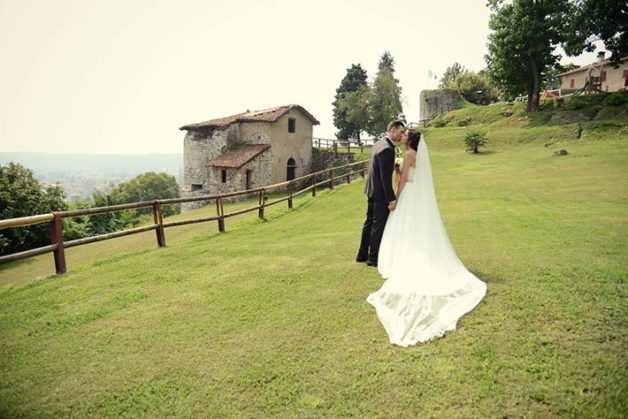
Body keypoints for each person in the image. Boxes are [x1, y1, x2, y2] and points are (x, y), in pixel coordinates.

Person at [367, 130, 487, 347]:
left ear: (410, 140)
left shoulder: (410, 153)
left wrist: (395, 199)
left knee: (405, 229)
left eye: (405, 135)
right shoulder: (412, 153)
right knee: (411, 229)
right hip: (415, 193)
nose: (402, 136)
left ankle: (406, 260)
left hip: (408, 194)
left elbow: (403, 179)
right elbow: (403, 173)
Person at [356, 120, 405, 267]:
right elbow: (385, 178)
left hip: (371, 190)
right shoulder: (388, 149)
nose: (402, 134)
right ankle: (373, 258)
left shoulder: (379, 143)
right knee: (378, 225)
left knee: (368, 223)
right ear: (393, 130)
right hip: (379, 193)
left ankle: (362, 254)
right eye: (401, 131)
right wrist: (391, 199)